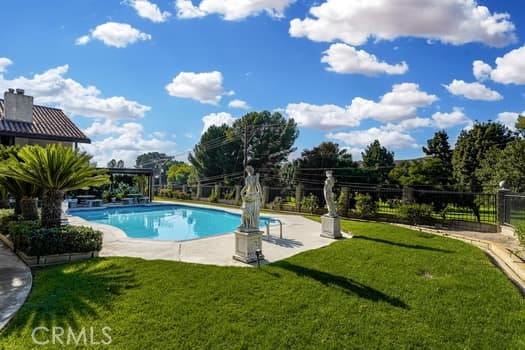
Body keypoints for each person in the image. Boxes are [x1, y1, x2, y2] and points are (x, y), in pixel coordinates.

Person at [239, 166, 263, 231]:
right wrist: (260, 194)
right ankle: (249, 224)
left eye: (247, 171)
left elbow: (247, 187)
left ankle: (247, 224)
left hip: (249, 195)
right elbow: (258, 186)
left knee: (246, 209)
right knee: (251, 211)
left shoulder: (248, 178)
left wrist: (242, 192)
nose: (248, 172)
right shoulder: (254, 177)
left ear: (248, 171)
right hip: (253, 195)